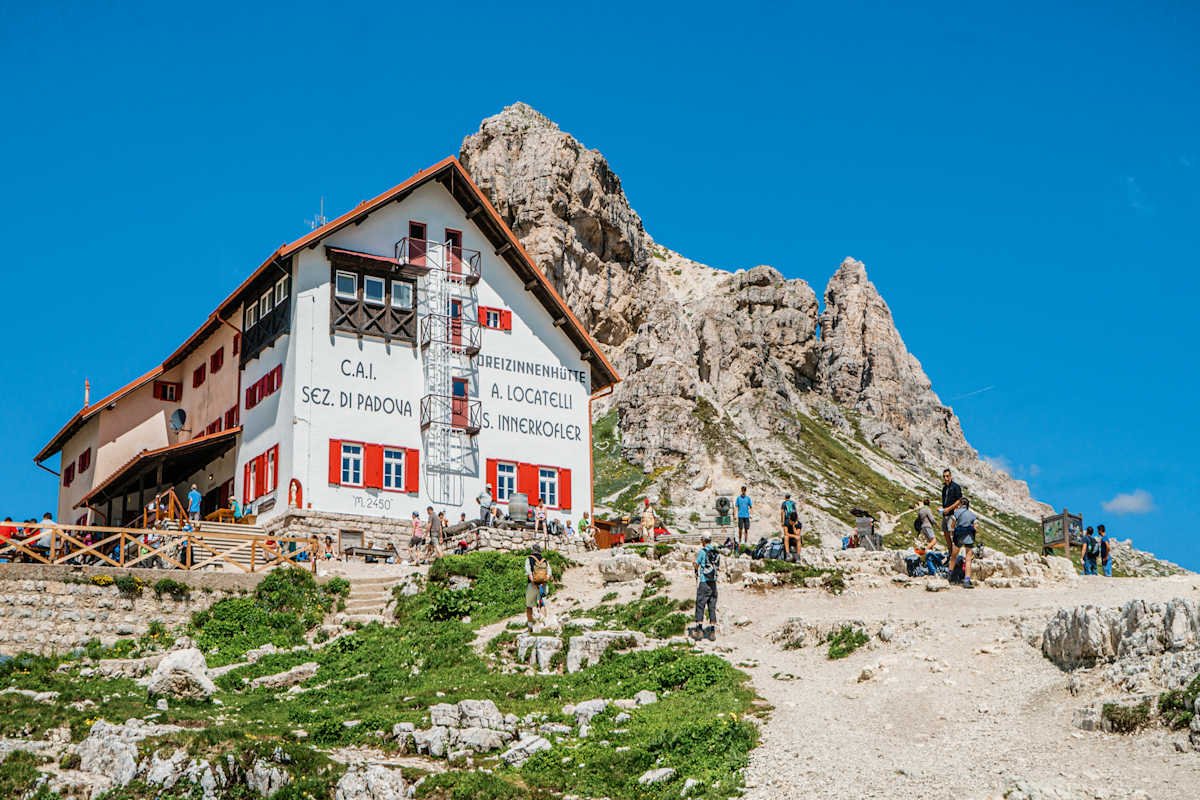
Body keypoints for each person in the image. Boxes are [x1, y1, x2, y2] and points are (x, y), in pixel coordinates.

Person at [692, 534, 719, 641]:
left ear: (703, 540)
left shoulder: (702, 552)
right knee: (712, 606)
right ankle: (712, 632)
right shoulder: (715, 552)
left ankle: (699, 631)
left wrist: (694, 564)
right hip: (713, 583)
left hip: (704, 582)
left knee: (700, 604)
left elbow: (697, 565)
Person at [949, 499, 978, 588]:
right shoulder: (972, 514)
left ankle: (949, 575)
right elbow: (976, 527)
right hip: (969, 537)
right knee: (968, 558)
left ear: (961, 504)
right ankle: (967, 579)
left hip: (959, 536)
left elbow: (952, 525)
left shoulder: (957, 512)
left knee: (954, 556)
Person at [524, 543, 551, 631]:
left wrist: (536, 585)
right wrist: (541, 585)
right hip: (543, 586)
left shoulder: (529, 559)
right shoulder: (545, 560)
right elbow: (548, 575)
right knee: (542, 604)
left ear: (532, 550)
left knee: (529, 606)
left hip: (532, 586)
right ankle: (543, 626)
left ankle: (530, 627)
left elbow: (530, 576)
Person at [938, 470, 963, 555]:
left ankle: (955, 555)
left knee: (953, 535)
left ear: (951, 476)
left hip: (952, 514)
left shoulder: (956, 487)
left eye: (947, 476)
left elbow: (959, 500)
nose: (946, 478)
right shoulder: (944, 488)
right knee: (946, 534)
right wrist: (942, 508)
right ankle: (950, 553)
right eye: (944, 476)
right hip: (945, 514)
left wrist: (949, 508)